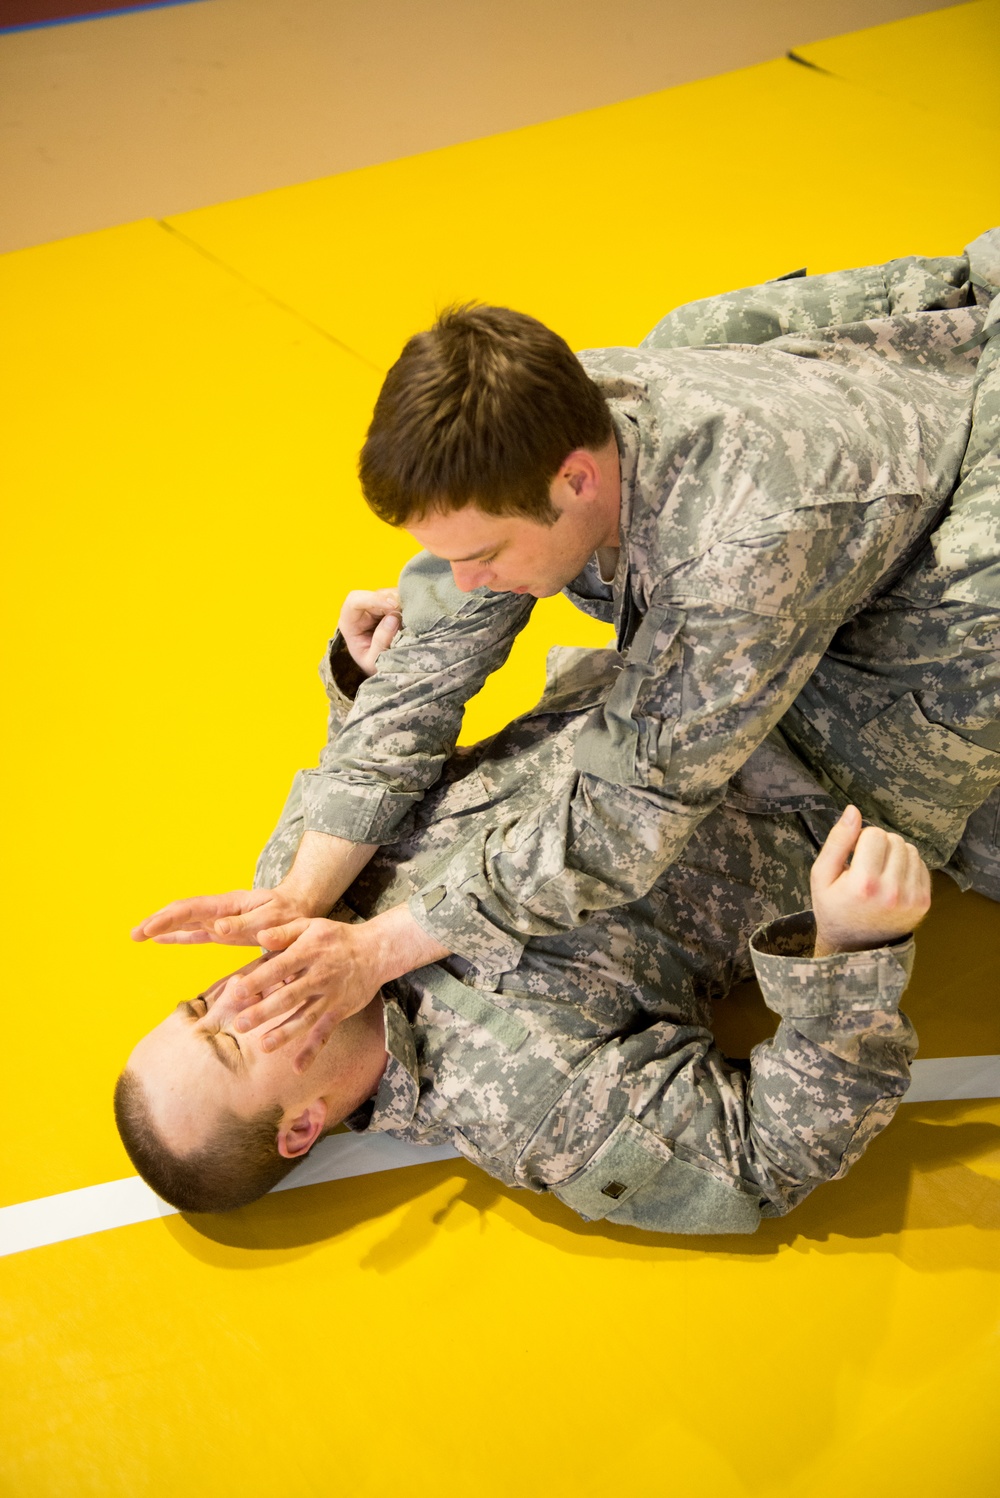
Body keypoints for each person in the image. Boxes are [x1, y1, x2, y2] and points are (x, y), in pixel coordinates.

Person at [132, 231, 1000, 1062]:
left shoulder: (741, 548)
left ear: (575, 480)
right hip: (865, 468)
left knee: (940, 779)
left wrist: (375, 951)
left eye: (482, 556)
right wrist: (301, 893)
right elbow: (434, 659)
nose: (462, 580)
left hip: (945, 558)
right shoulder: (529, 430)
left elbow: (623, 814)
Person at [116, 638, 929, 1234]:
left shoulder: (285, 903)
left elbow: (368, 767)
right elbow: (761, 1158)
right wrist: (847, 950)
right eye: (231, 1044)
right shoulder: (526, 1105)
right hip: (843, 749)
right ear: (299, 1126)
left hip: (680, 648)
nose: (238, 992)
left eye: (200, 1004)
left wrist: (368, 675)